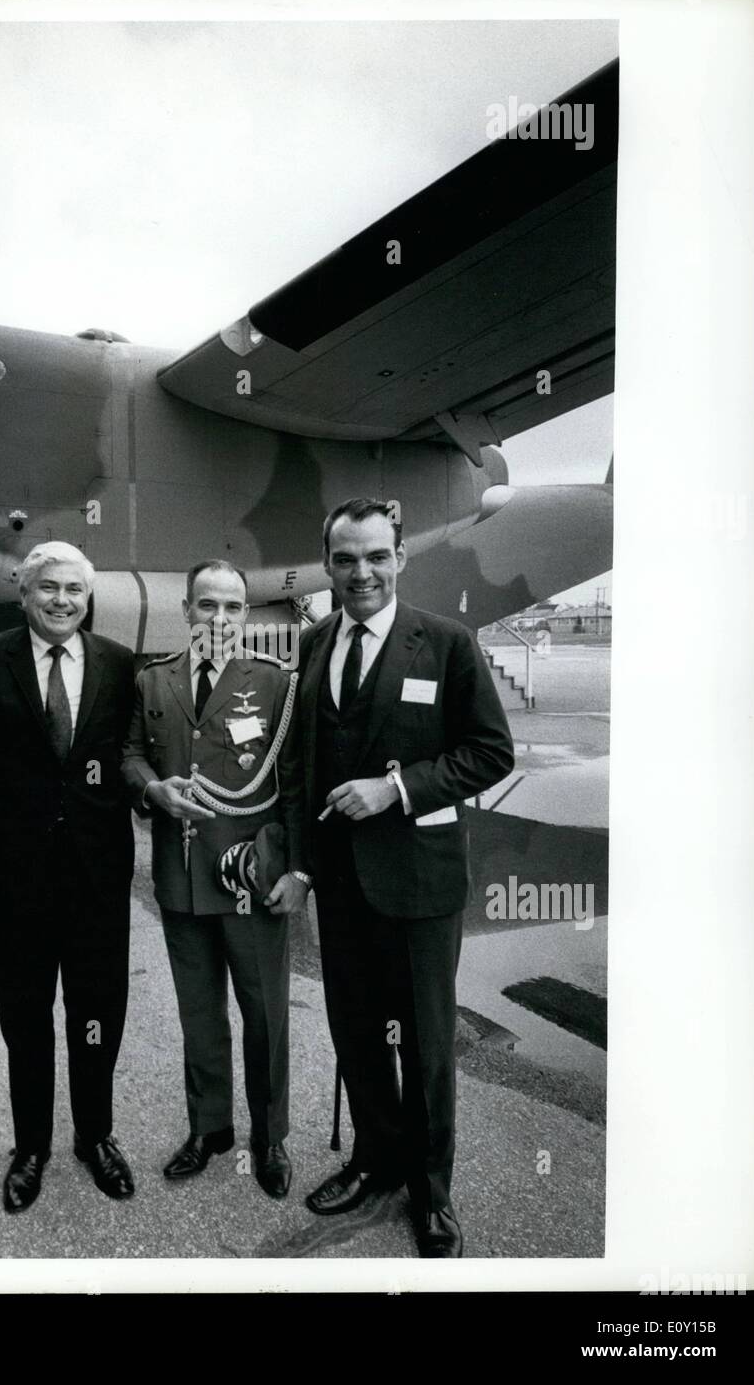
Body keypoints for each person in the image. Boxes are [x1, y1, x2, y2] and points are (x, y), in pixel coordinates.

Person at [296, 499, 514, 1256]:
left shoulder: (446, 644)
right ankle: (373, 1160)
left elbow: (489, 752)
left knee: (422, 1043)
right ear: (327, 564)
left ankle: (429, 1190)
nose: (361, 573)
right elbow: (303, 765)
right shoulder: (315, 641)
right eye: (346, 559)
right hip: (342, 883)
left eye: (376, 557)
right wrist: (298, 861)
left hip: (419, 883)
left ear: (400, 558)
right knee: (356, 1034)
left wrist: (395, 788)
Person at [0, 541, 136, 1212]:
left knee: (97, 1011)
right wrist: (18, 808)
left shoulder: (116, 664)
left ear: (88, 599)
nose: (60, 601)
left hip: (97, 873)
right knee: (25, 1014)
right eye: (47, 588)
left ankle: (95, 1136)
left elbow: (121, 754)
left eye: (73, 591)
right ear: (22, 592)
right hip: (13, 870)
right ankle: (31, 1147)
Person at [122, 561, 309, 1199]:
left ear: (247, 613)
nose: (221, 619)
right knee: (200, 1015)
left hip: (250, 879)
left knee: (264, 1015)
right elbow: (129, 751)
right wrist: (152, 788)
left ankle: (270, 1138)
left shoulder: (277, 683)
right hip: (180, 878)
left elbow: (297, 788)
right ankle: (209, 1129)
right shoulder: (153, 678)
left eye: (233, 607)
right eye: (208, 606)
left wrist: (295, 870)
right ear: (186, 609)